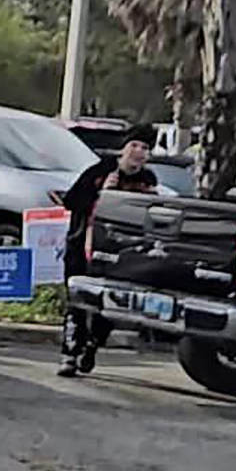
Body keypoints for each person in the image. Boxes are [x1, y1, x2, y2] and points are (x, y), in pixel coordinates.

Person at [57, 123, 158, 378]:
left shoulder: (148, 180)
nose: (138, 152)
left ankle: (91, 346)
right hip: (84, 247)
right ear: (124, 149)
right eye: (134, 146)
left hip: (120, 254)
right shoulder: (101, 170)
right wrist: (101, 193)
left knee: (108, 307)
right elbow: (71, 202)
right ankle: (69, 354)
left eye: (144, 148)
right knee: (77, 303)